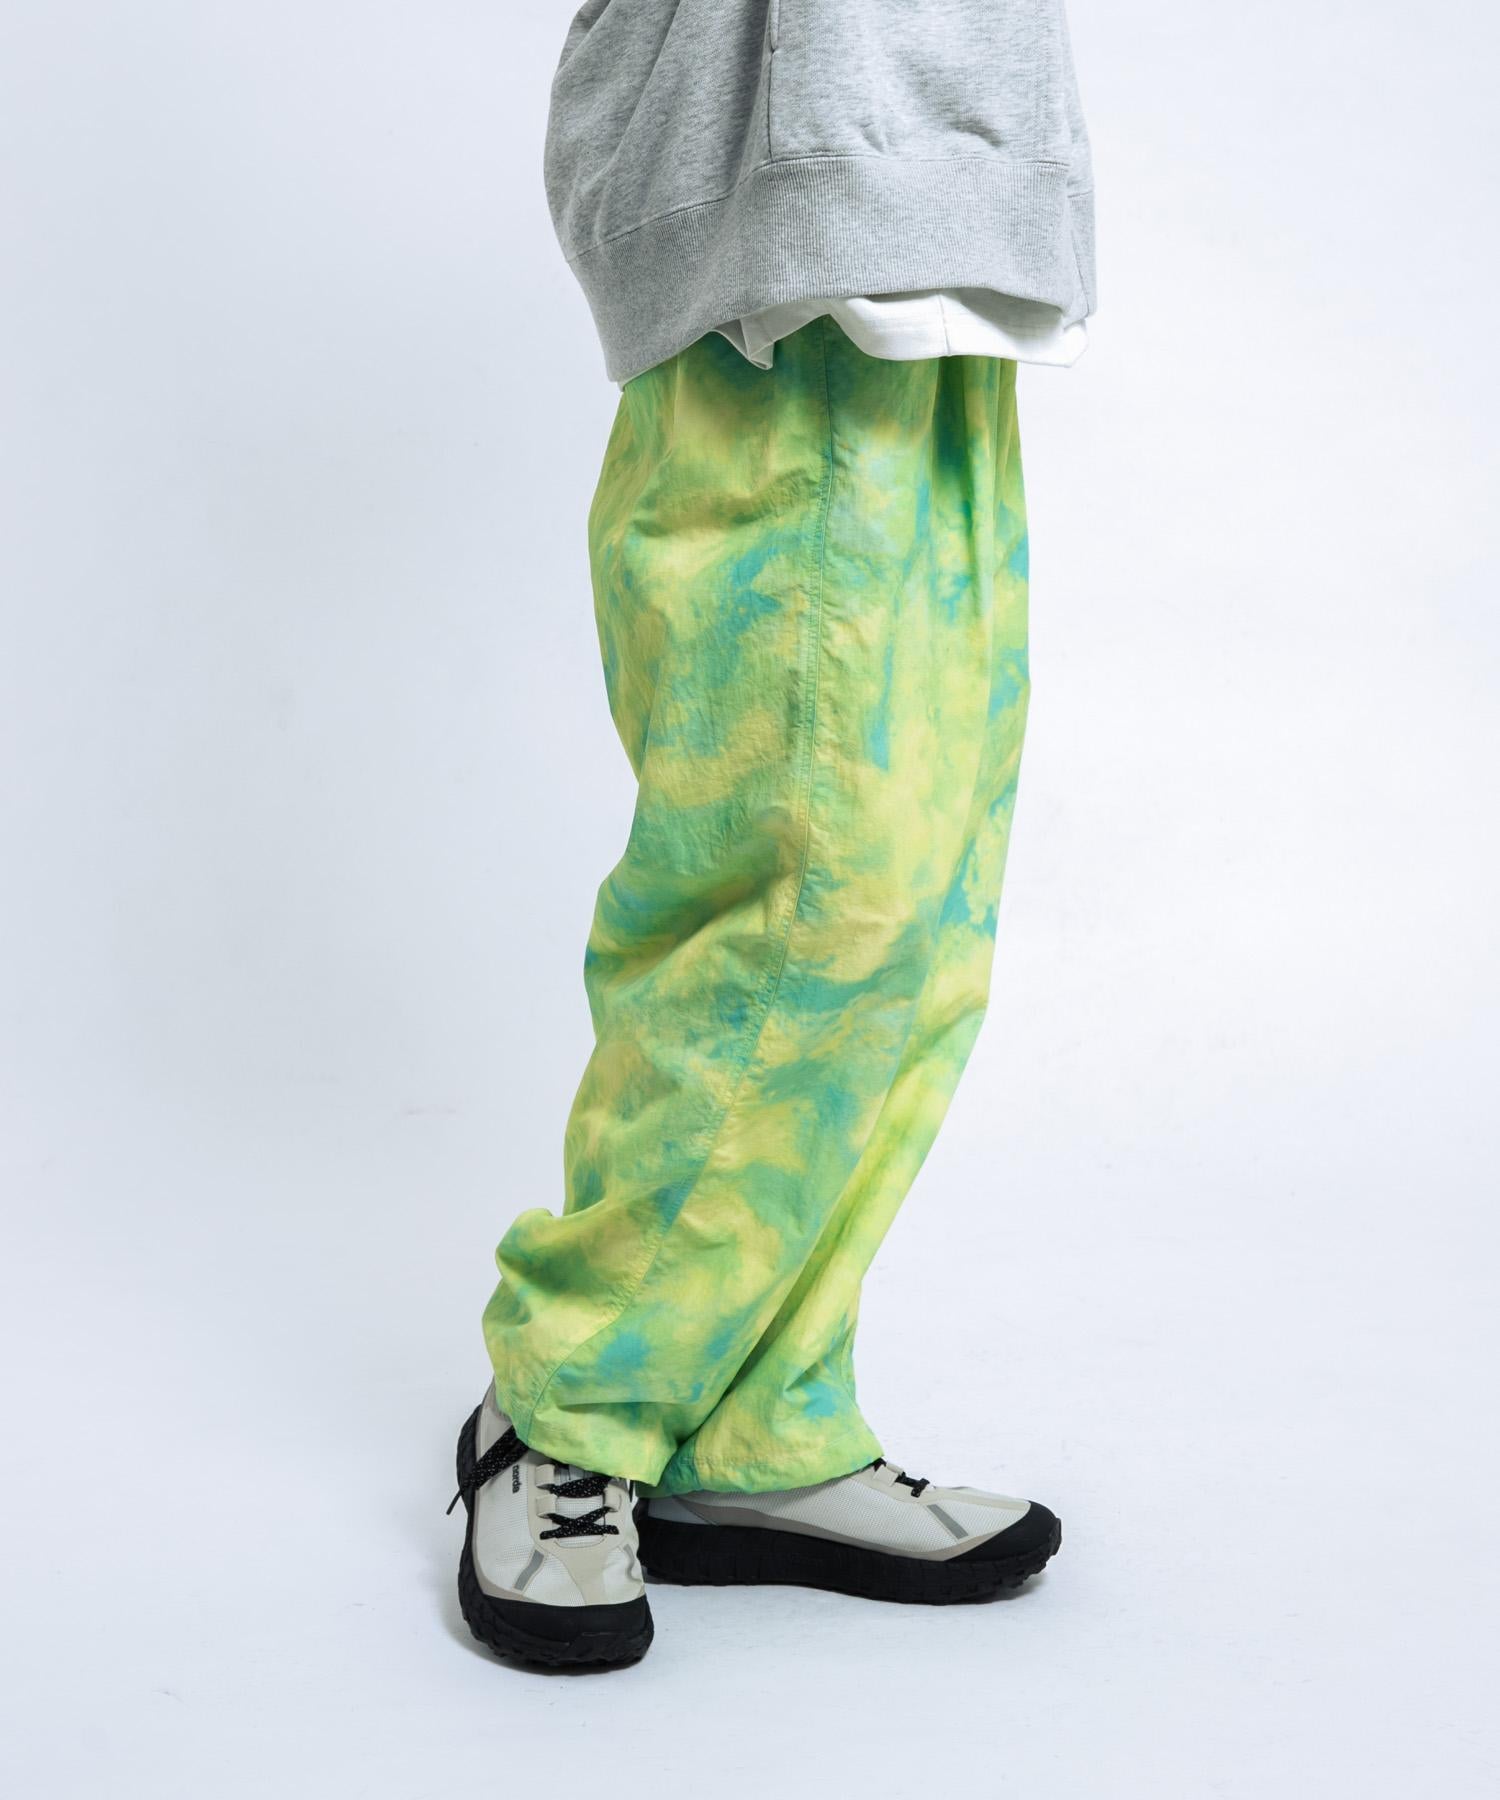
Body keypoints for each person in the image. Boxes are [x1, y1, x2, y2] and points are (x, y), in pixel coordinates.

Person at [448, 0, 1095, 1667]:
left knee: (923, 908)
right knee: (796, 899)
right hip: (786, 237)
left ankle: (755, 1416)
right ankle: (567, 1408)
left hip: (938, 224)